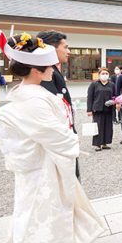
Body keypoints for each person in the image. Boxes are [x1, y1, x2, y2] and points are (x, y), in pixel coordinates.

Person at [0, 31, 104, 243]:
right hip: (43, 165)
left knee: (42, 209)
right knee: (43, 210)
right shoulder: (33, 98)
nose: (52, 67)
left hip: (42, 162)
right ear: (35, 70)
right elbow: (54, 134)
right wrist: (71, 141)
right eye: (46, 64)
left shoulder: (26, 93)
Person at [36, 30, 80, 180]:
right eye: (65, 47)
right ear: (51, 48)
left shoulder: (53, 69)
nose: (68, 51)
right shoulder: (46, 72)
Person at [86, 67, 116, 151]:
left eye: (106, 74)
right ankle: (98, 144)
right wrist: (89, 110)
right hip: (97, 109)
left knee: (108, 127)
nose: (105, 75)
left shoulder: (112, 84)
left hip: (109, 109)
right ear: (99, 75)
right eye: (103, 73)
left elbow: (114, 96)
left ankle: (105, 143)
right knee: (98, 126)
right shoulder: (94, 84)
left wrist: (114, 103)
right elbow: (90, 97)